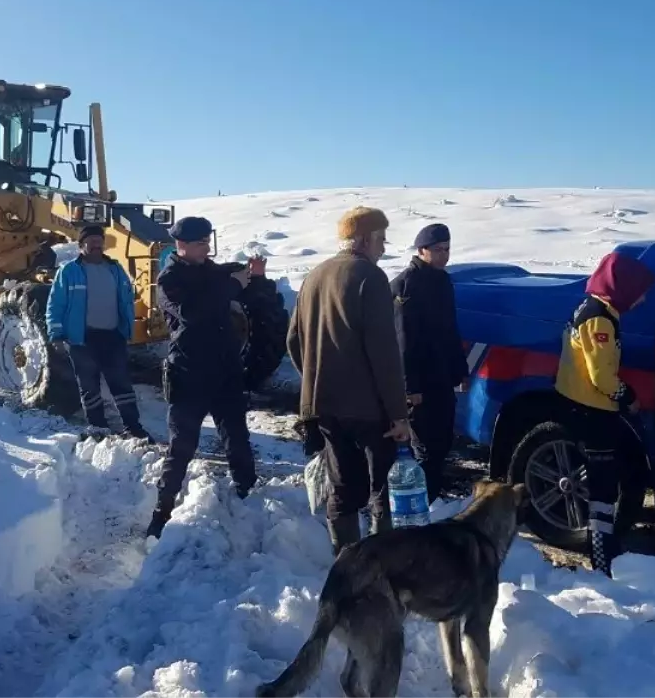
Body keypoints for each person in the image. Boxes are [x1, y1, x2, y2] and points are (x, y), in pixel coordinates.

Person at [287, 206, 411, 555]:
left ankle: (346, 562)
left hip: (324, 405)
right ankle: (385, 564)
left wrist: (316, 378)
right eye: (381, 240)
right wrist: (398, 414)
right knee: (382, 489)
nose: (383, 248)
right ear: (365, 239)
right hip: (370, 409)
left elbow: (294, 340)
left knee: (341, 488)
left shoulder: (314, 276)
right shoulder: (369, 277)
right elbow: (384, 352)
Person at [146, 216, 259, 539]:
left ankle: (247, 496)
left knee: (237, 438)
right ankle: (162, 511)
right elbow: (196, 311)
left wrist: (253, 276)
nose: (206, 248)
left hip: (224, 371)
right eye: (200, 244)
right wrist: (234, 284)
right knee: (181, 446)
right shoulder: (169, 280)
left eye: (208, 242)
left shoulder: (211, 271)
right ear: (181, 246)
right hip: (189, 373)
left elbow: (230, 282)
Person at [554, 251, 655, 578]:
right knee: (602, 490)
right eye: (640, 291)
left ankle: (611, 542)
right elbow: (600, 376)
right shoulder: (600, 319)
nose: (642, 299)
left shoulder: (592, 307)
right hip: (592, 411)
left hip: (582, 405)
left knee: (620, 475)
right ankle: (601, 561)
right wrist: (627, 396)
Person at [390, 223, 468, 505]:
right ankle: (420, 505)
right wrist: (411, 387)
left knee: (443, 442)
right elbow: (404, 342)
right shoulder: (407, 285)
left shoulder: (442, 281)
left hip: (442, 377)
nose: (444, 255)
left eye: (447, 249)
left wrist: (460, 370)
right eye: (438, 250)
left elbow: (450, 329)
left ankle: (431, 498)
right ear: (422, 250)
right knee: (424, 447)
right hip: (420, 382)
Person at [47, 224, 148, 440]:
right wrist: (56, 334)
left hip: (113, 336)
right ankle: (98, 427)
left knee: (121, 383)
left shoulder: (115, 268)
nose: (96, 246)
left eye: (99, 242)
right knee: (89, 386)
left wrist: (126, 327)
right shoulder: (70, 271)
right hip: (83, 338)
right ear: (82, 245)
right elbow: (55, 304)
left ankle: (133, 426)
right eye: (91, 242)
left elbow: (127, 298)